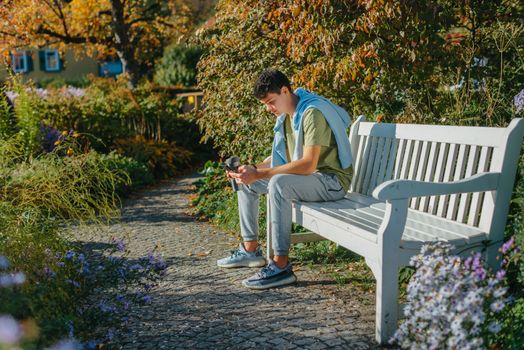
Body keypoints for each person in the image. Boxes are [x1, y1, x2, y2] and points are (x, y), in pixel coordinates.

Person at [217, 68, 354, 289]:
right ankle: (250, 250)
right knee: (246, 182)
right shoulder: (289, 116)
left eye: (271, 102)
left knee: (278, 183)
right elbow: (281, 160)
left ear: (285, 90)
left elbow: (308, 164)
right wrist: (250, 170)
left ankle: (280, 266)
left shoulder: (311, 113)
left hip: (331, 182)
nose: (269, 108)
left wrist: (260, 173)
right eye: (266, 105)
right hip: (310, 181)